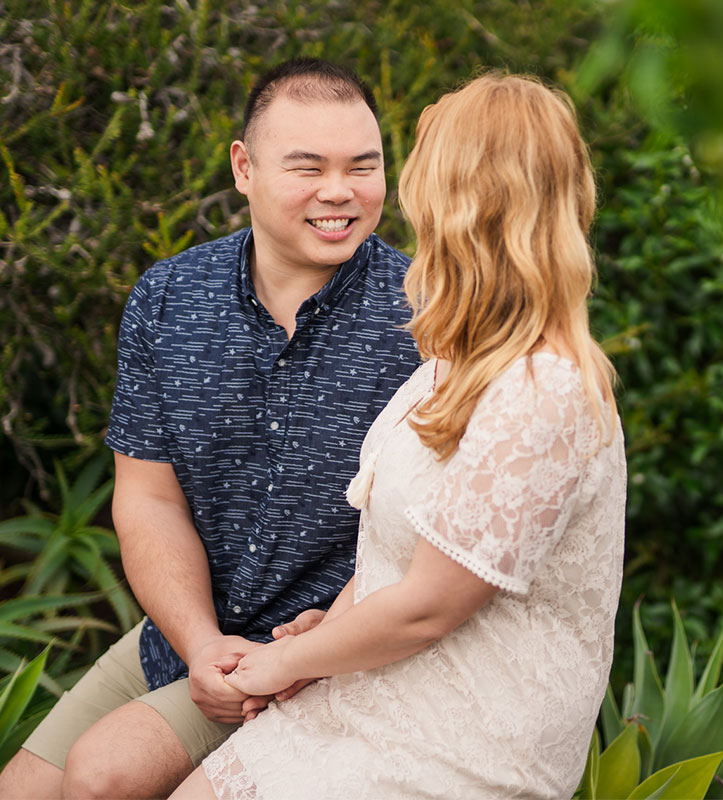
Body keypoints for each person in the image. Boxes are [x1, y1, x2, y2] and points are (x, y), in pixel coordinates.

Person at [164, 72, 626, 800]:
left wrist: (285, 665)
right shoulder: (452, 361)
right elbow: (400, 557)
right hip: (370, 693)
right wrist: (322, 636)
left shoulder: (547, 390)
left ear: (469, 207)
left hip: (463, 738)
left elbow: (430, 605)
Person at [0, 58, 418, 800]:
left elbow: (431, 523)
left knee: (104, 777)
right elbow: (148, 498)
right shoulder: (169, 298)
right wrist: (198, 644)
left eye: (363, 166)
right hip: (183, 637)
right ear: (243, 167)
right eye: (308, 167)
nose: (339, 192)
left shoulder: (425, 317)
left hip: (324, 656)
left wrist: (327, 636)